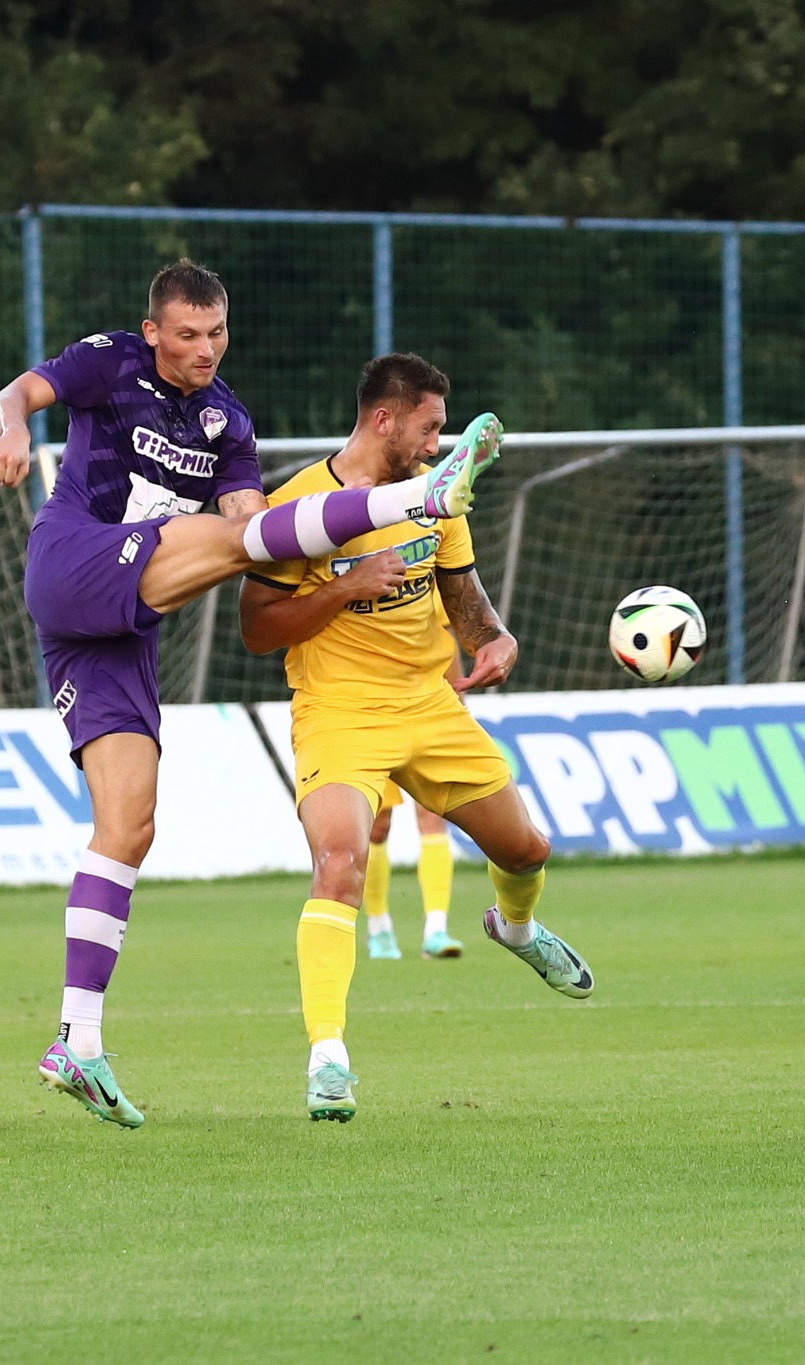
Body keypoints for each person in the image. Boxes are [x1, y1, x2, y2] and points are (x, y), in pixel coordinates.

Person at [0, 261, 502, 1128]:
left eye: (217, 335)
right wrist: (7, 433)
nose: (203, 350)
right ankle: (423, 493)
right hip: (75, 559)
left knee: (129, 825)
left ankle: (76, 1039)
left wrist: (317, 574)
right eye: (187, 335)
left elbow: (254, 535)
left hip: (120, 628)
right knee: (214, 536)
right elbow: (17, 397)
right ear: (154, 332)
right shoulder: (108, 360)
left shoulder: (229, 421)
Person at [239, 352, 593, 1122]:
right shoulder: (300, 504)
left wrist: (494, 639)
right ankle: (327, 1057)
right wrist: (343, 588)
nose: (438, 445)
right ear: (384, 419)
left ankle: (515, 927)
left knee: (527, 850)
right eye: (430, 429)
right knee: (340, 862)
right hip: (338, 711)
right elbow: (256, 630)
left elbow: (463, 598)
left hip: (430, 707)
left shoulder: (439, 498)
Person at [363, 630, 466, 962]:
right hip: (372, 718)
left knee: (434, 815)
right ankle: (379, 928)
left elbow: (446, 641)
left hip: (427, 715)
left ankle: (436, 929)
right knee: (377, 827)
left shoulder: (431, 581)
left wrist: (460, 707)